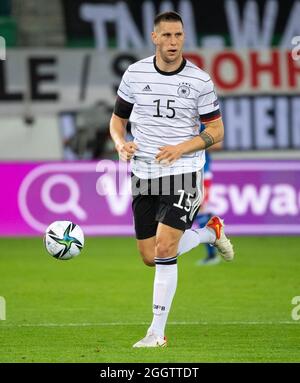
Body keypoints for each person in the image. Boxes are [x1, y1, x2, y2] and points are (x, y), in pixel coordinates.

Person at [109, 11, 234, 348]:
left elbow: (217, 131)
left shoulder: (199, 81)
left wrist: (182, 148)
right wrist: (121, 144)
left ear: (183, 38)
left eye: (178, 35)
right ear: (154, 38)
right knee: (150, 256)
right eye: (166, 36)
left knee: (166, 248)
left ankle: (156, 333)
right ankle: (211, 233)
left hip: (184, 172)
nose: (173, 42)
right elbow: (117, 121)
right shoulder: (134, 74)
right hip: (144, 174)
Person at [195, 124, 222, 266]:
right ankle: (215, 228)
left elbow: (218, 145)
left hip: (203, 173)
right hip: (186, 172)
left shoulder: (203, 123)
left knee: (200, 208)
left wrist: (193, 145)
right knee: (198, 210)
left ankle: (212, 254)